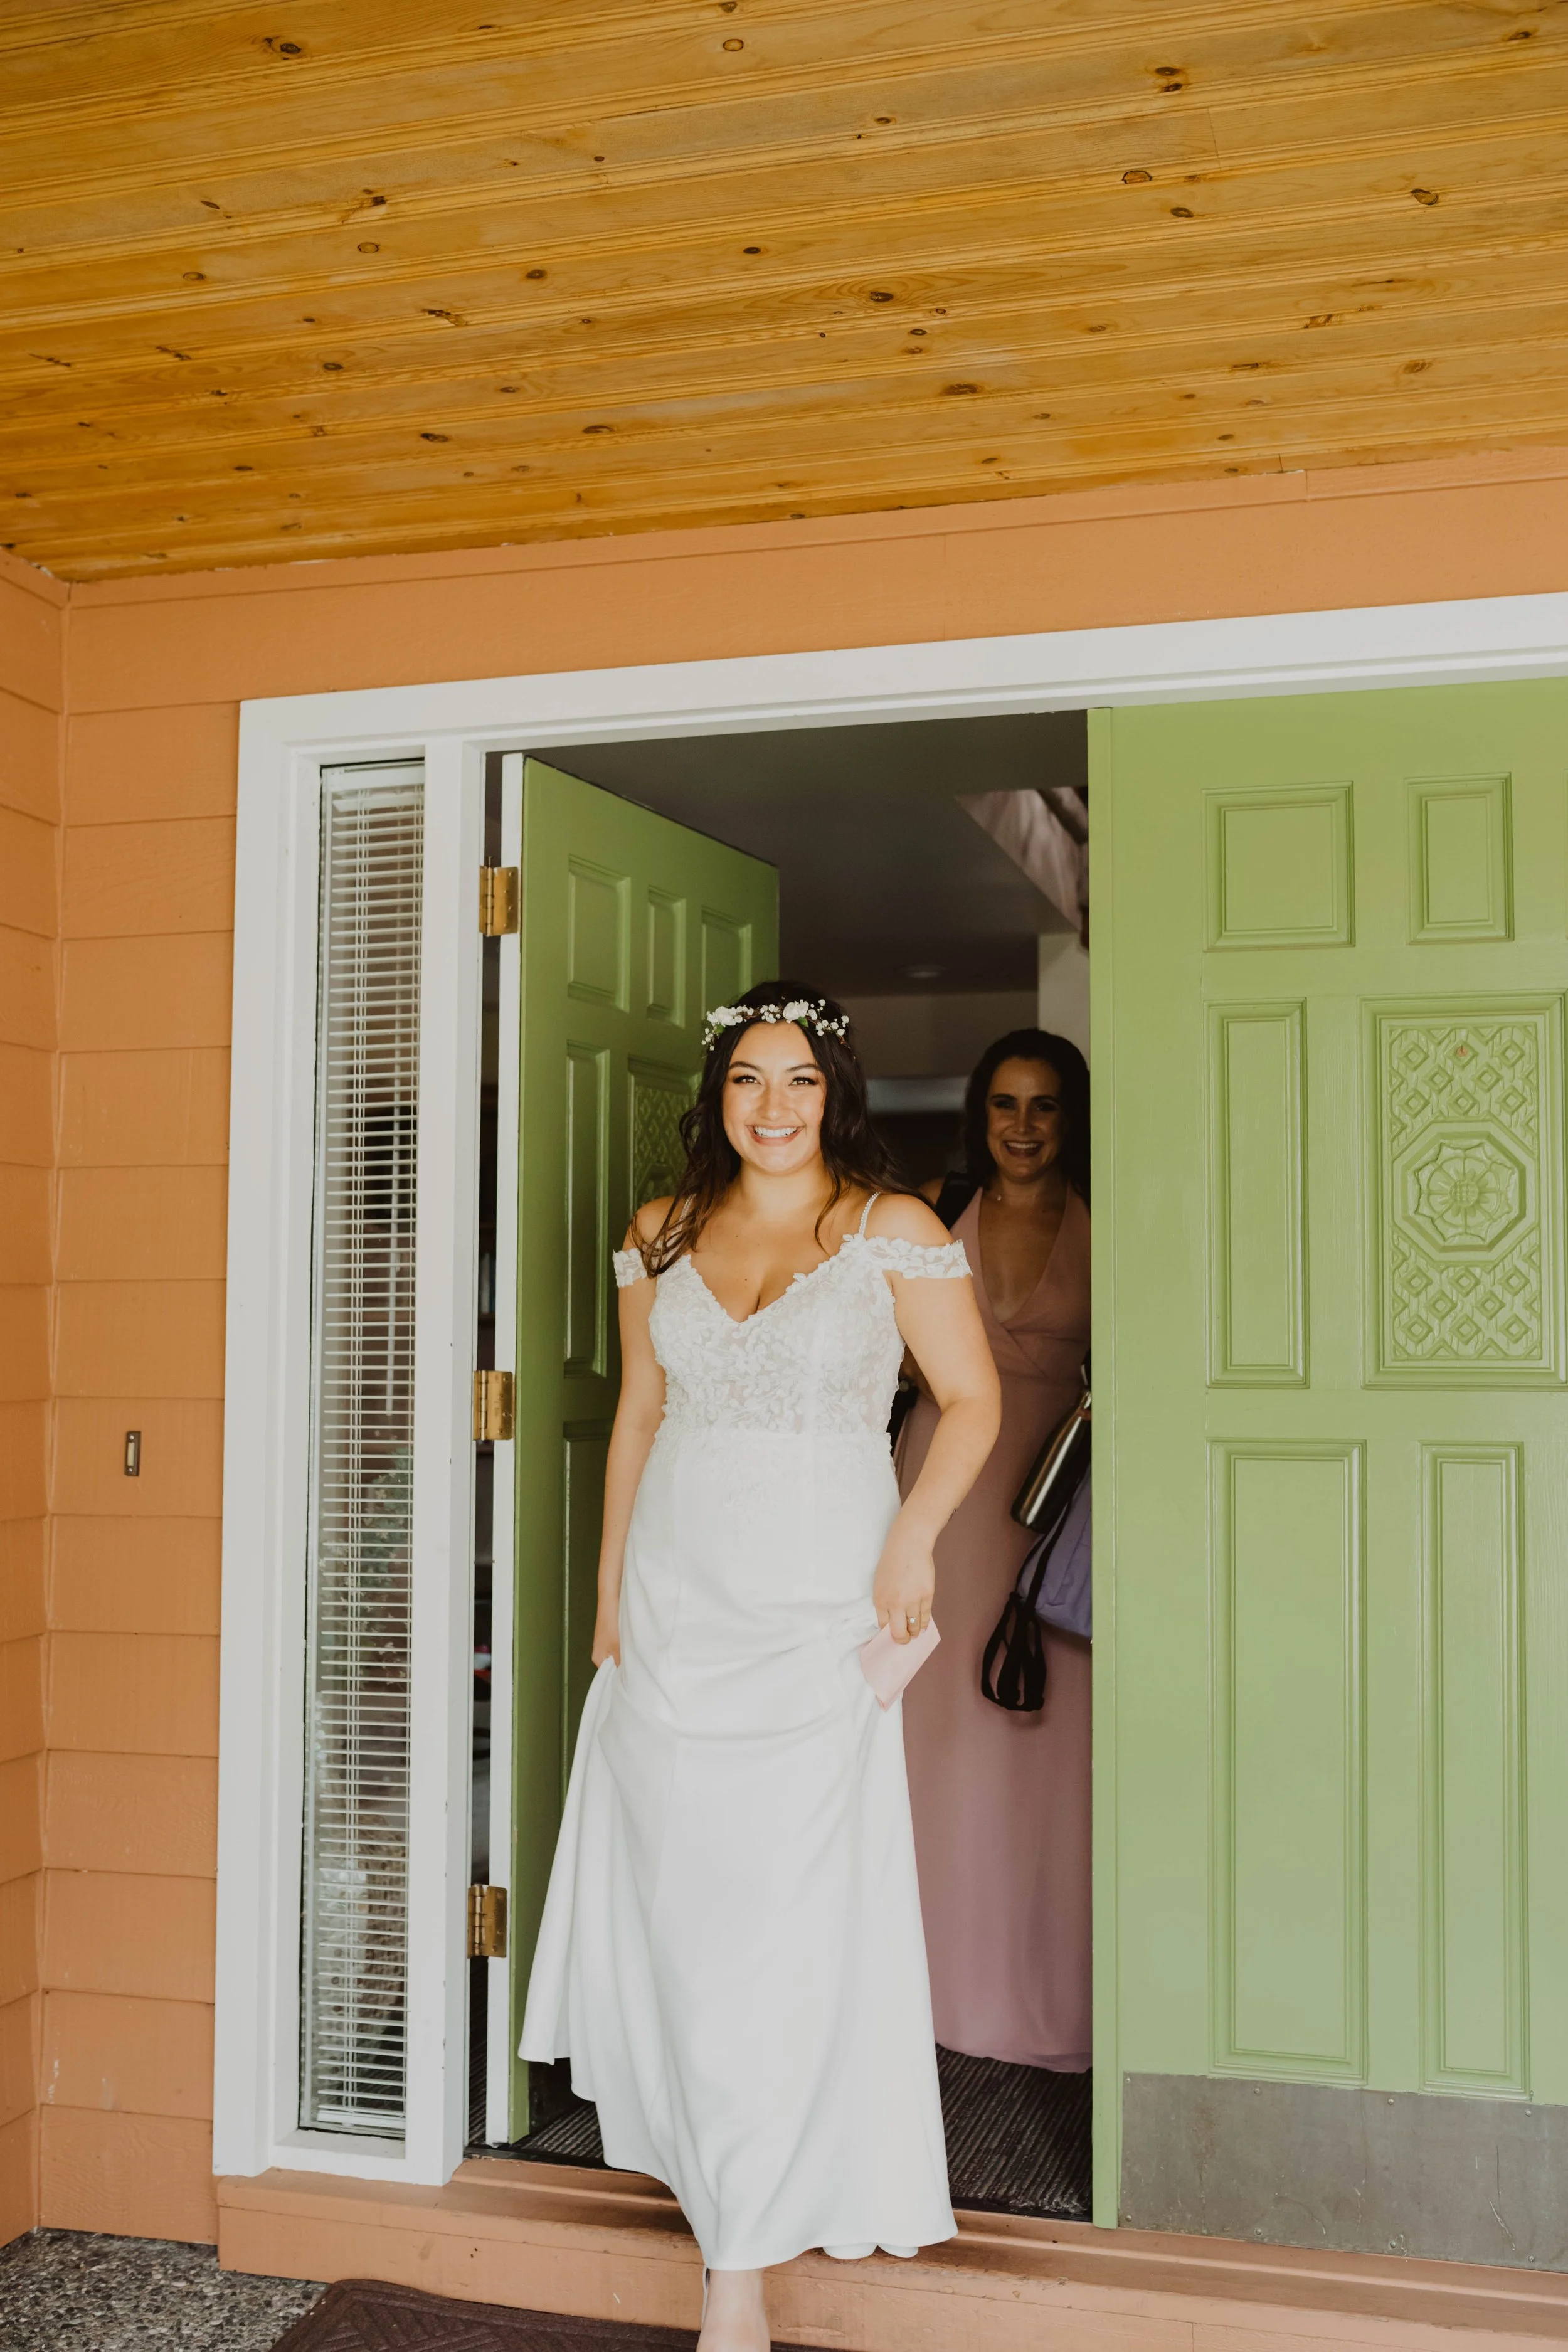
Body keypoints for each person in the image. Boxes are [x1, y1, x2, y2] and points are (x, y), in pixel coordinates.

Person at [521, 982, 1001, 2352]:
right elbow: (639, 1413)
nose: (772, 1106)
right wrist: (609, 1594)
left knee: (784, 1916)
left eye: (797, 1080)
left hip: (818, 1614)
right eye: (747, 1079)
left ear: (833, 1092)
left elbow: (973, 1400)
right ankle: (711, 2176)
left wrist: (913, 1537)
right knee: (683, 1909)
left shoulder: (894, 1228)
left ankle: (737, 2255)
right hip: (675, 1610)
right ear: (716, 1095)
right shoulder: (657, 1232)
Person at [896, 1030, 1092, 2072]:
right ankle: (921, 1987)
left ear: (1071, 1116)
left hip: (1054, 1497)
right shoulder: (938, 1207)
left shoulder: (1108, 1217)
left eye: (1044, 1104)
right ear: (981, 1113)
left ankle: (1043, 1990)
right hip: (944, 1490)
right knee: (935, 1735)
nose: (1023, 1125)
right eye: (1006, 1103)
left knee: (1046, 1739)